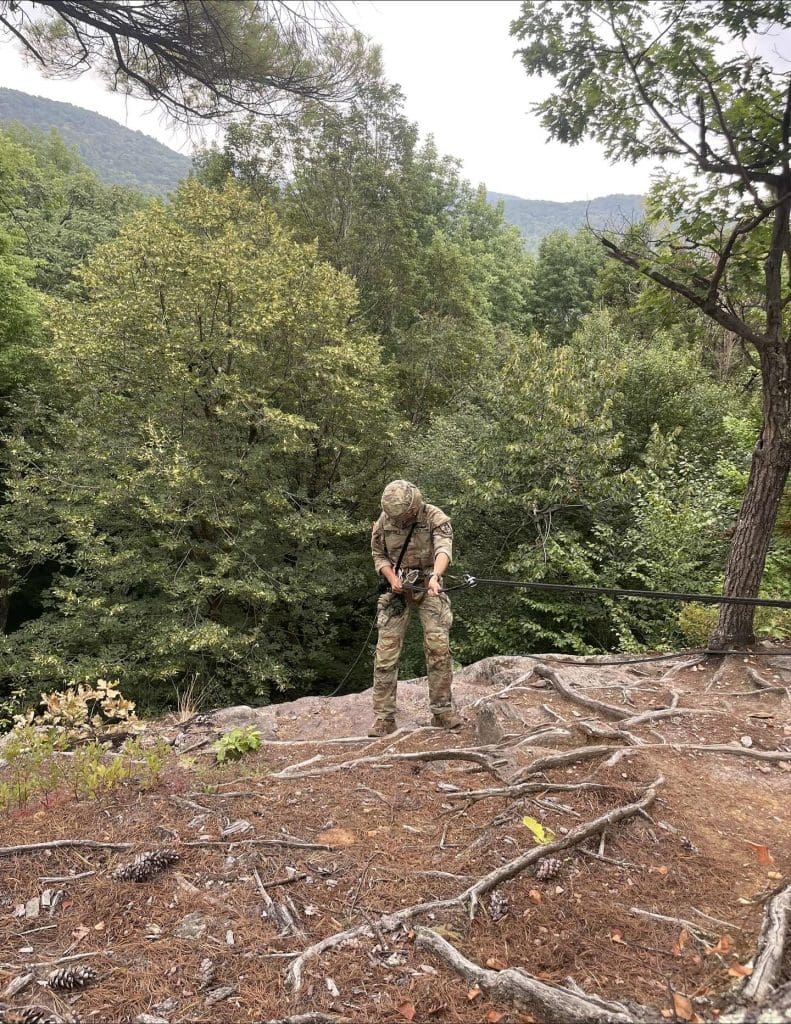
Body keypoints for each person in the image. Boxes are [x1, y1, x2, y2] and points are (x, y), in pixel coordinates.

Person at [368, 479, 464, 737]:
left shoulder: (434, 516)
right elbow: (378, 554)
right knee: (385, 653)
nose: (400, 522)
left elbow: (444, 548)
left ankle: (442, 712)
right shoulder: (384, 521)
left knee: (438, 648)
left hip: (428, 584)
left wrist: (435, 577)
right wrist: (391, 578)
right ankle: (384, 718)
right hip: (397, 591)